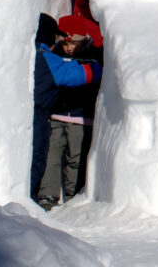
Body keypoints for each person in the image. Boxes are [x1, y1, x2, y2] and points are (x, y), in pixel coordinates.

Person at [31, 14, 101, 205]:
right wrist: (99, 70)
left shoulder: (35, 55)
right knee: (46, 157)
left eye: (74, 42)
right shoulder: (49, 57)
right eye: (64, 42)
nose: (68, 47)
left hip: (76, 117)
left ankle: (67, 197)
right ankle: (46, 196)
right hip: (51, 114)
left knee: (71, 159)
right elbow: (72, 74)